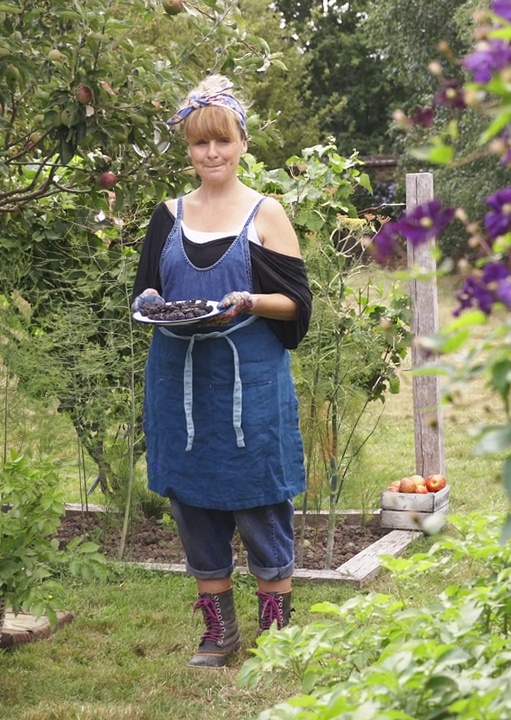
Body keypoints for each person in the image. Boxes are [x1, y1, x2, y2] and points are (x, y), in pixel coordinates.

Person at [130, 75, 312, 668]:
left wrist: (252, 300)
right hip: (178, 384)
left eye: (222, 142)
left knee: (259, 500)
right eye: (200, 144)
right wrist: (151, 301)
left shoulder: (267, 214)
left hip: (249, 385)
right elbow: (147, 291)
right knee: (194, 502)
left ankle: (277, 631)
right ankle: (217, 632)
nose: (212, 154)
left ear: (242, 144)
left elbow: (297, 305)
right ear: (189, 150)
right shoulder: (168, 215)